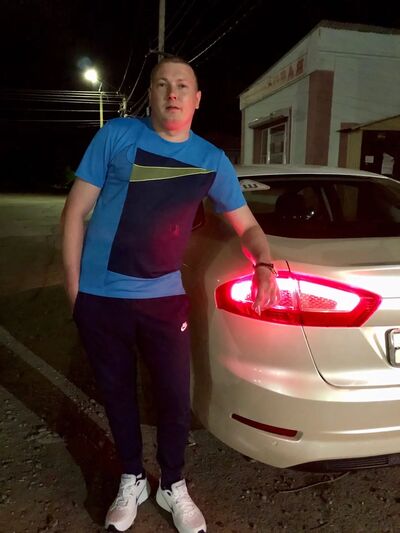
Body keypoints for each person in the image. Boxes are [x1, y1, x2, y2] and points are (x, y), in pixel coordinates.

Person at [61, 56, 279, 533]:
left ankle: (172, 483)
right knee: (117, 393)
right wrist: (76, 291)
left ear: (197, 100)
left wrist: (264, 264)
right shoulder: (118, 135)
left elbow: (247, 226)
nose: (172, 92)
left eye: (182, 85)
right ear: (151, 95)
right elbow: (75, 211)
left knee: (175, 396)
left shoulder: (211, 160)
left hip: (163, 299)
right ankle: (133, 478)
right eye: (162, 84)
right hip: (101, 297)